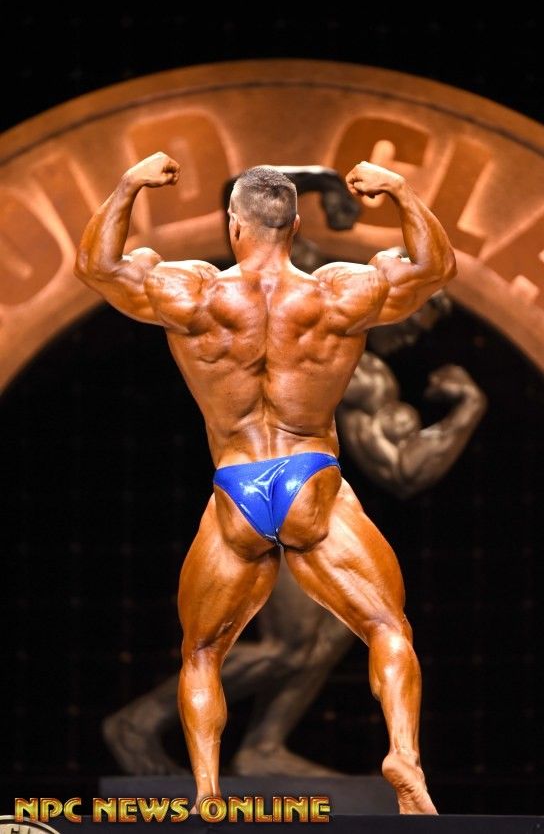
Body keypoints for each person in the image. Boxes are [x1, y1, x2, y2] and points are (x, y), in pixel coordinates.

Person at [74, 153, 456, 814]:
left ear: (233, 225)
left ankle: (207, 791)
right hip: (312, 480)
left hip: (237, 487)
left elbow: (98, 266)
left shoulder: (193, 293)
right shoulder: (337, 292)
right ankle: (403, 755)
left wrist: (130, 183)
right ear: (296, 224)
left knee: (202, 652)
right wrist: (398, 190)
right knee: (385, 625)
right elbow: (433, 268)